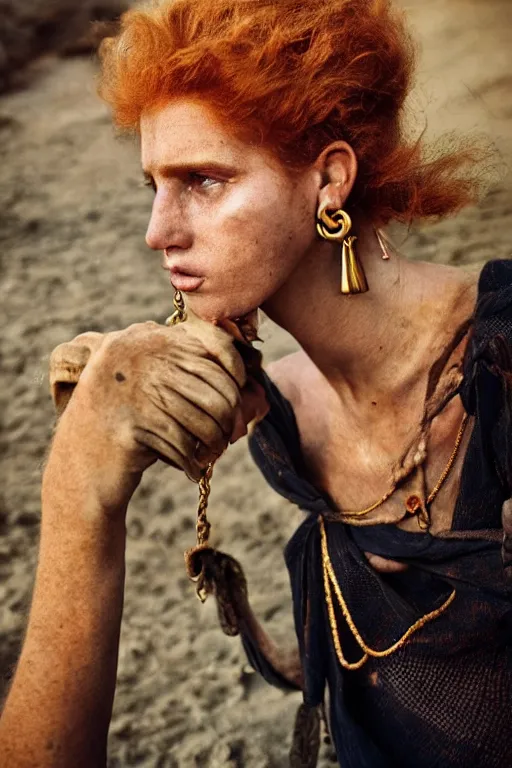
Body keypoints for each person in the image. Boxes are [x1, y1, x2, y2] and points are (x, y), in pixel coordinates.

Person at [1, 0, 511, 766]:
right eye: (154, 185)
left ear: (329, 179)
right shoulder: (284, 413)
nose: (158, 231)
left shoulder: (497, 374)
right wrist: (79, 470)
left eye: (202, 180)